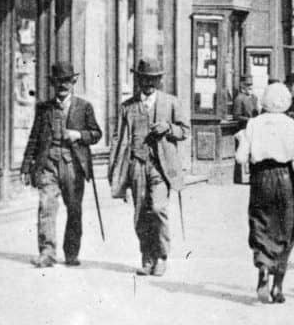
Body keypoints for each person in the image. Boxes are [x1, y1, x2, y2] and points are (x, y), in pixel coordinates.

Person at [108, 58, 187, 277]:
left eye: (153, 79)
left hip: (161, 168)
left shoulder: (171, 103)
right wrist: (116, 172)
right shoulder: (128, 107)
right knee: (141, 213)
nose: (149, 84)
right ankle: (147, 257)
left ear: (160, 80)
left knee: (159, 209)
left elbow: (184, 131)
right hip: (137, 165)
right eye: (145, 79)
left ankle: (161, 256)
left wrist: (168, 128)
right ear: (138, 80)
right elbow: (118, 139)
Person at [21, 62, 102, 268]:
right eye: (58, 82)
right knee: (46, 206)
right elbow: (34, 137)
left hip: (73, 165)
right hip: (48, 164)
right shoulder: (44, 108)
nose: (63, 86)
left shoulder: (84, 107)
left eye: (66, 81)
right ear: (53, 84)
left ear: (73, 82)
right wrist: (26, 166)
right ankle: (47, 253)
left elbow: (96, 134)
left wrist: (78, 135)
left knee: (74, 209)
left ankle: (71, 253)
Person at [235, 82, 294, 304]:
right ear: (286, 102)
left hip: (260, 178)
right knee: (285, 229)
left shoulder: (253, 124)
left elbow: (240, 158)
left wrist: (240, 140)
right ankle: (278, 286)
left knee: (260, 224)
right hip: (286, 179)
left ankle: (263, 269)